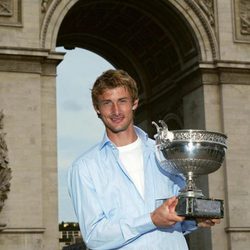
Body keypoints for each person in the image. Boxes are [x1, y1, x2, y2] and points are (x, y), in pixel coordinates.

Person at [68, 69, 220, 250]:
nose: (116, 110)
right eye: (107, 103)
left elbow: (175, 220)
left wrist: (195, 219)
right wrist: (151, 220)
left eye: (122, 101)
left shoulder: (165, 152)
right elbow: (94, 237)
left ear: (135, 103)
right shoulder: (84, 167)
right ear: (97, 109)